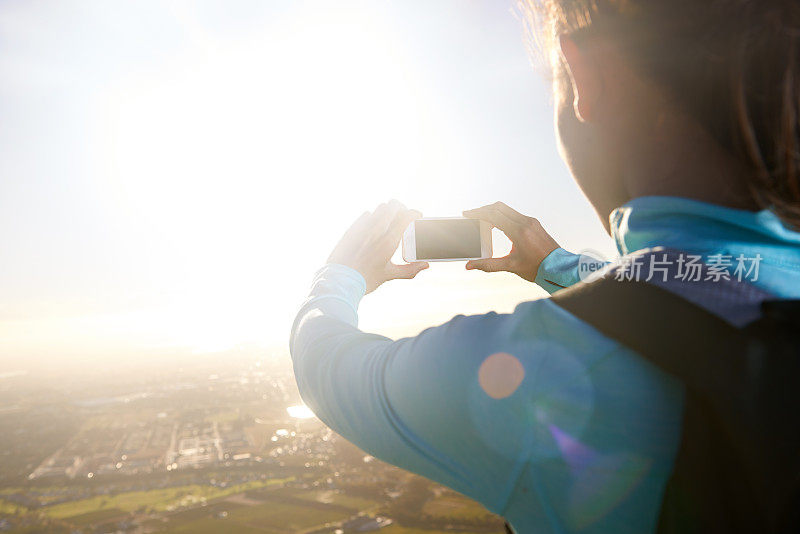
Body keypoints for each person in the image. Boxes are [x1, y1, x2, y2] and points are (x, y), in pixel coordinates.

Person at [290, 1, 800, 532]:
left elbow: (327, 372)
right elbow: (711, 295)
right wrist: (556, 268)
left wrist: (342, 272)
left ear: (586, 76)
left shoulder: (545, 374)